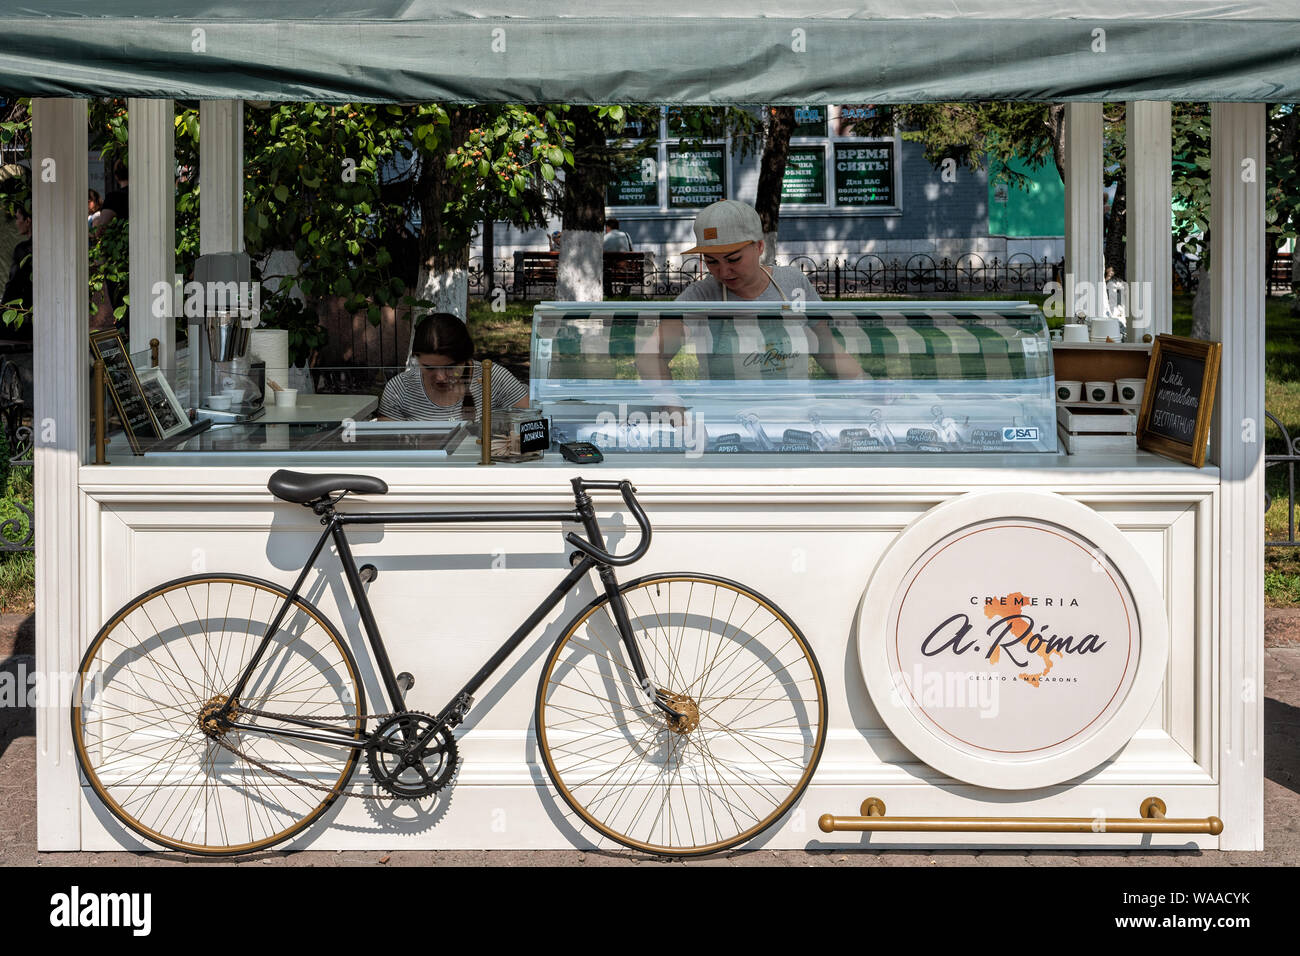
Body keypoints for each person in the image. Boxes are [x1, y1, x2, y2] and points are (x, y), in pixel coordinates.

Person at [378, 312, 528, 421]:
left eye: (450, 367)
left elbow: (532, 426)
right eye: (429, 368)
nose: (440, 377)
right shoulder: (400, 388)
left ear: (466, 358)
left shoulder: (493, 378)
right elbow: (388, 449)